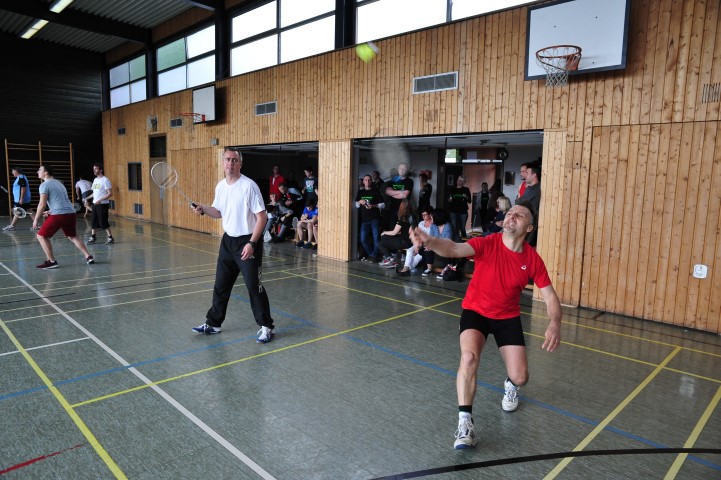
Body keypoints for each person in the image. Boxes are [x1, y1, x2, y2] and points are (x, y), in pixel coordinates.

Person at [409, 203, 561, 449]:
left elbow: (550, 296)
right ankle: (465, 424)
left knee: (521, 377)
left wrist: (554, 322)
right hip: (475, 311)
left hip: (507, 317)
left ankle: (510, 384)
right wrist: (430, 241)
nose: (512, 216)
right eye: (509, 213)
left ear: (529, 227)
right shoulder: (488, 243)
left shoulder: (532, 259)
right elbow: (453, 249)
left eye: (519, 215)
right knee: (468, 357)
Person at [191, 148, 276, 343]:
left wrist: (252, 243)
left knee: (254, 286)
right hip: (228, 242)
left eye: (234, 160)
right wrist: (203, 209)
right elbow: (218, 211)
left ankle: (267, 327)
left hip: (247, 241)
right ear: (223, 163)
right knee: (221, 284)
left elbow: (262, 217)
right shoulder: (221, 186)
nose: (231, 163)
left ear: (240, 164)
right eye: (228, 159)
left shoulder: (249, 186)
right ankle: (213, 323)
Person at [32, 165, 94, 269]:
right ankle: (88, 256)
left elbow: (42, 204)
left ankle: (52, 261)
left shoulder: (44, 185)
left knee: (41, 236)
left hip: (59, 214)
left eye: (40, 170)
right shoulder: (59, 183)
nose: (37, 172)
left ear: (46, 172)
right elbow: (62, 200)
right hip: (70, 213)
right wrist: (51, 211)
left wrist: (36, 220)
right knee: (72, 236)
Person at [355, 174, 384, 262]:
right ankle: (372, 254)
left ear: (371, 181)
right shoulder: (360, 192)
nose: (367, 181)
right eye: (366, 180)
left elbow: (383, 204)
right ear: (363, 181)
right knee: (363, 239)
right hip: (364, 219)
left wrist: (374, 205)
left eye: (369, 180)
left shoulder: (376, 191)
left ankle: (374, 255)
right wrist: (359, 202)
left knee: (376, 238)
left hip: (375, 218)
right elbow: (356, 205)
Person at [85, 163, 114, 245]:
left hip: (102, 204)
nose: (94, 170)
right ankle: (93, 237)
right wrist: (87, 198)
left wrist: (100, 200)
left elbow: (110, 193)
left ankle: (110, 238)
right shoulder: (95, 180)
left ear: (100, 170)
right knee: (93, 221)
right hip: (95, 204)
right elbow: (94, 193)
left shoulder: (105, 180)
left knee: (103, 222)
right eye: (93, 169)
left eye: (96, 169)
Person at [378, 199, 412, 269]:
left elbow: (394, 232)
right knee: (384, 238)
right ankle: (390, 257)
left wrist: (384, 232)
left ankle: (390, 259)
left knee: (380, 243)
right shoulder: (413, 217)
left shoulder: (402, 219)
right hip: (410, 241)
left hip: (404, 242)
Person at [516, 163, 541, 247]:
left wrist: (518, 197)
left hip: (531, 225)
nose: (525, 175)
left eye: (527, 173)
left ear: (534, 175)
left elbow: (519, 203)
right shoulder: (530, 188)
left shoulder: (535, 189)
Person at [385, 163, 414, 229]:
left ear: (406, 170)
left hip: (404, 210)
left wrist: (393, 193)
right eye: (400, 168)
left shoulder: (409, 181)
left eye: (404, 169)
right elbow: (387, 191)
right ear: (398, 170)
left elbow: (404, 195)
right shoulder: (394, 180)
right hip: (393, 209)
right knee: (393, 228)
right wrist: (400, 192)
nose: (402, 170)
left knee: (404, 230)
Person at [3, 167, 32, 231]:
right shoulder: (21, 177)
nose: (12, 173)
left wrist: (21, 199)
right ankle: (37, 225)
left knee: (18, 211)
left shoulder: (21, 178)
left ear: (16, 171)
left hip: (21, 199)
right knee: (29, 210)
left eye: (13, 171)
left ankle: (12, 226)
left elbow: (23, 189)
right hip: (24, 198)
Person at [447, 175, 471, 239]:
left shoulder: (466, 189)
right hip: (453, 210)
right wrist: (449, 200)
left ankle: (464, 239)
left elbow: (469, 201)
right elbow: (449, 199)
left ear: (463, 182)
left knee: (462, 227)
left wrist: (466, 197)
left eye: (461, 181)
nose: (459, 182)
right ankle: (456, 239)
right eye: (458, 180)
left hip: (463, 211)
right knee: (454, 226)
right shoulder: (452, 189)